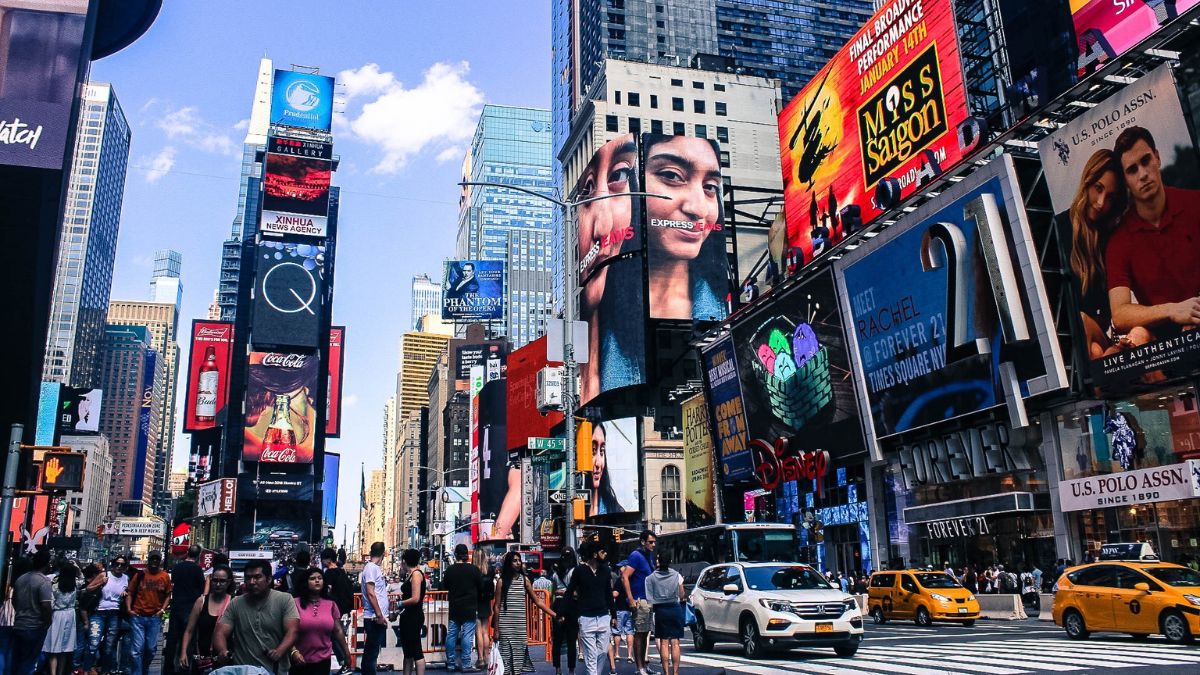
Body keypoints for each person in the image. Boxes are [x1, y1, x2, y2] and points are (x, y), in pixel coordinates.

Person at [1106, 125, 1200, 337]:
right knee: (1137, 335)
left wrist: (1194, 313)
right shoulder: (1119, 242)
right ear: (1125, 181)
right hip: (1164, 346)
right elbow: (1119, 314)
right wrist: (1172, 310)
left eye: (1146, 161)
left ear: (1157, 158)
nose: (1143, 174)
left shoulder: (1196, 203)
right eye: (1132, 170)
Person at [575, 134, 646, 403]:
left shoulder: (629, 365)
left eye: (619, 176)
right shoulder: (570, 366)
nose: (602, 227)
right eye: (588, 188)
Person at [643, 134, 728, 321]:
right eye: (672, 176)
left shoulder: (725, 308)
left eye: (710, 187)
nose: (699, 209)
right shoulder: (602, 315)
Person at [212, 558, 299, 674]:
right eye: (248, 578)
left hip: (275, 670)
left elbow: (292, 631)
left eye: (257, 577)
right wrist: (223, 651)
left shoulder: (285, 599)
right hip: (243, 670)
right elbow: (220, 632)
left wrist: (279, 651)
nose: (252, 582)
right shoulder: (236, 603)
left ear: (268, 579)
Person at [493, 552, 555, 675]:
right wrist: (496, 629)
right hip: (505, 626)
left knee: (518, 661)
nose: (518, 563)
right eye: (515, 561)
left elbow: (538, 601)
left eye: (519, 560)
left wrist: (554, 614)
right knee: (505, 662)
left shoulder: (525, 580)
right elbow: (497, 606)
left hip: (520, 627)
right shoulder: (501, 582)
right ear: (509, 563)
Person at [566, 542, 615, 675]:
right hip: (586, 617)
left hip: (604, 616)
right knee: (591, 654)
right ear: (594, 554)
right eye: (602, 551)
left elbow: (608, 593)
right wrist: (562, 612)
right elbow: (569, 591)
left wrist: (614, 615)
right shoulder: (579, 571)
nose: (605, 554)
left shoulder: (605, 570)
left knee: (603, 651)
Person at [290, 567, 349, 675]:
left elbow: (338, 631)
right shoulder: (294, 603)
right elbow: (287, 631)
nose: (317, 581)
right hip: (299, 659)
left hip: (323, 661)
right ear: (305, 583)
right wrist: (293, 651)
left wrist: (347, 653)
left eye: (320, 578)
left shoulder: (331, 604)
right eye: (312, 578)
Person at [178, 564, 233, 675]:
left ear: (228, 582)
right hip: (201, 659)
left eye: (222, 581)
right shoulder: (201, 602)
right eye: (215, 580)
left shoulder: (233, 603)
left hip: (224, 660)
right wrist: (183, 652)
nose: (218, 584)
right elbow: (189, 630)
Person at [126, 551, 172, 675]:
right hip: (138, 616)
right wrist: (129, 609)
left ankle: (144, 668)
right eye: (153, 559)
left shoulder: (164, 576)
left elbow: (168, 595)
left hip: (154, 617)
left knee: (151, 649)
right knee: (137, 649)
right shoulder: (140, 575)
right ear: (149, 560)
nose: (155, 562)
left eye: (157, 560)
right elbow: (130, 592)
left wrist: (162, 610)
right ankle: (137, 672)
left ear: (160, 561)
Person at [164, 545, 206, 675]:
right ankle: (184, 667)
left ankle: (169, 669)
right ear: (198, 555)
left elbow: (174, 584)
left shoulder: (177, 568)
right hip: (191, 608)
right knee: (188, 638)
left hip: (177, 606)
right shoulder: (198, 570)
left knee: (172, 639)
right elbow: (201, 589)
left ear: (187, 553)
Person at [621, 531, 656, 675]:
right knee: (640, 634)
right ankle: (640, 667)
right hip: (639, 600)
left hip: (647, 600)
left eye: (654, 542)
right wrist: (631, 599)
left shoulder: (648, 555)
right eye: (650, 542)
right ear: (643, 541)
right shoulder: (636, 556)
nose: (653, 544)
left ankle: (643, 666)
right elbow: (625, 576)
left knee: (645, 633)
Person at [442, 544, 481, 672]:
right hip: (469, 607)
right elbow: (481, 586)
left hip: (454, 606)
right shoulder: (474, 570)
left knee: (451, 635)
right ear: (466, 555)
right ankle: (466, 663)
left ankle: (451, 663)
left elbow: (443, 586)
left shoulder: (450, 570)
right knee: (467, 635)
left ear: (456, 555)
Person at [644, 554, 684, 675]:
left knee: (664, 642)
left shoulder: (651, 578)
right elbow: (681, 594)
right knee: (675, 642)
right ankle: (675, 673)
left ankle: (666, 672)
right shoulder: (677, 575)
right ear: (670, 561)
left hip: (661, 610)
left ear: (658, 562)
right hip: (675, 609)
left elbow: (649, 598)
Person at [88, 555, 129, 675]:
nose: (119, 566)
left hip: (115, 613)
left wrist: (125, 594)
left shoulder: (126, 578)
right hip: (99, 612)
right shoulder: (104, 575)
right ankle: (88, 669)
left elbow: (128, 594)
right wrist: (100, 582)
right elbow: (88, 588)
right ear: (113, 564)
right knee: (93, 643)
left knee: (109, 646)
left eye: (122, 564)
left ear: (125, 567)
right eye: (117, 564)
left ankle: (106, 671)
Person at [321, 547, 354, 674]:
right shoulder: (341, 571)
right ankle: (345, 663)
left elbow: (327, 590)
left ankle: (344, 663)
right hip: (344, 606)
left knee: (334, 636)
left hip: (334, 608)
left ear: (328, 560)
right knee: (338, 635)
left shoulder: (329, 573)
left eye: (323, 558)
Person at [359, 542, 390, 675]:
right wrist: (379, 615)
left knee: (371, 652)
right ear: (383, 554)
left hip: (375, 617)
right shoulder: (372, 568)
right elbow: (371, 592)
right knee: (371, 654)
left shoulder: (372, 568)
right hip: (373, 618)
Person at [42, 561, 78, 675]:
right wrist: (77, 567)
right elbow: (81, 576)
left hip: (57, 615)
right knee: (65, 648)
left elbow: (51, 604)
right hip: (70, 614)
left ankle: (53, 673)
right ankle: (61, 672)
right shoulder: (75, 585)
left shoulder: (55, 586)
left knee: (54, 647)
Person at [396, 549, 426, 675]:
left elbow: (415, 598)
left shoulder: (416, 575)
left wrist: (400, 603)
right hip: (407, 615)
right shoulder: (411, 574)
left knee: (416, 650)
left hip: (414, 616)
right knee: (408, 651)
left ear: (405, 561)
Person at [588, 423, 626, 516]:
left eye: (601, 451)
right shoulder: (566, 510)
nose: (598, 463)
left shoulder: (615, 509)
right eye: (593, 450)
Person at [472, 550, 494, 670]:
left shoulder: (473, 570)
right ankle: (486, 658)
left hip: (475, 602)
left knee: (478, 631)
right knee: (486, 631)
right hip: (486, 602)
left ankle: (480, 659)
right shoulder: (490, 570)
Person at [610, 560, 633, 673]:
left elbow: (615, 594)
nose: (619, 569)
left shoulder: (620, 580)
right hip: (630, 609)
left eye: (621, 567)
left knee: (617, 632)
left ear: (625, 567)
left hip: (619, 608)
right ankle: (629, 655)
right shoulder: (632, 579)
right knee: (629, 632)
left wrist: (609, 592)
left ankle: (617, 653)